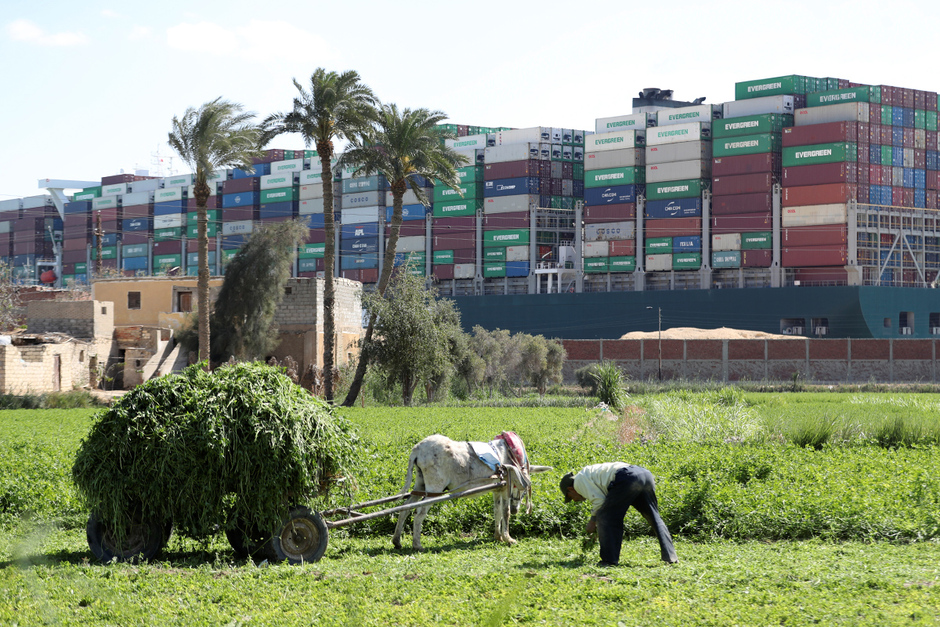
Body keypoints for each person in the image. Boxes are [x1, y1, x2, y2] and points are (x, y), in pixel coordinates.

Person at [560, 462, 678, 566]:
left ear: (570, 489)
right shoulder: (587, 473)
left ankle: (609, 560)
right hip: (644, 475)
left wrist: (592, 522)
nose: (575, 500)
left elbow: (599, 502)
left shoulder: (579, 481)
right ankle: (670, 557)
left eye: (570, 497)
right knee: (654, 517)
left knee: (606, 517)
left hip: (627, 477)